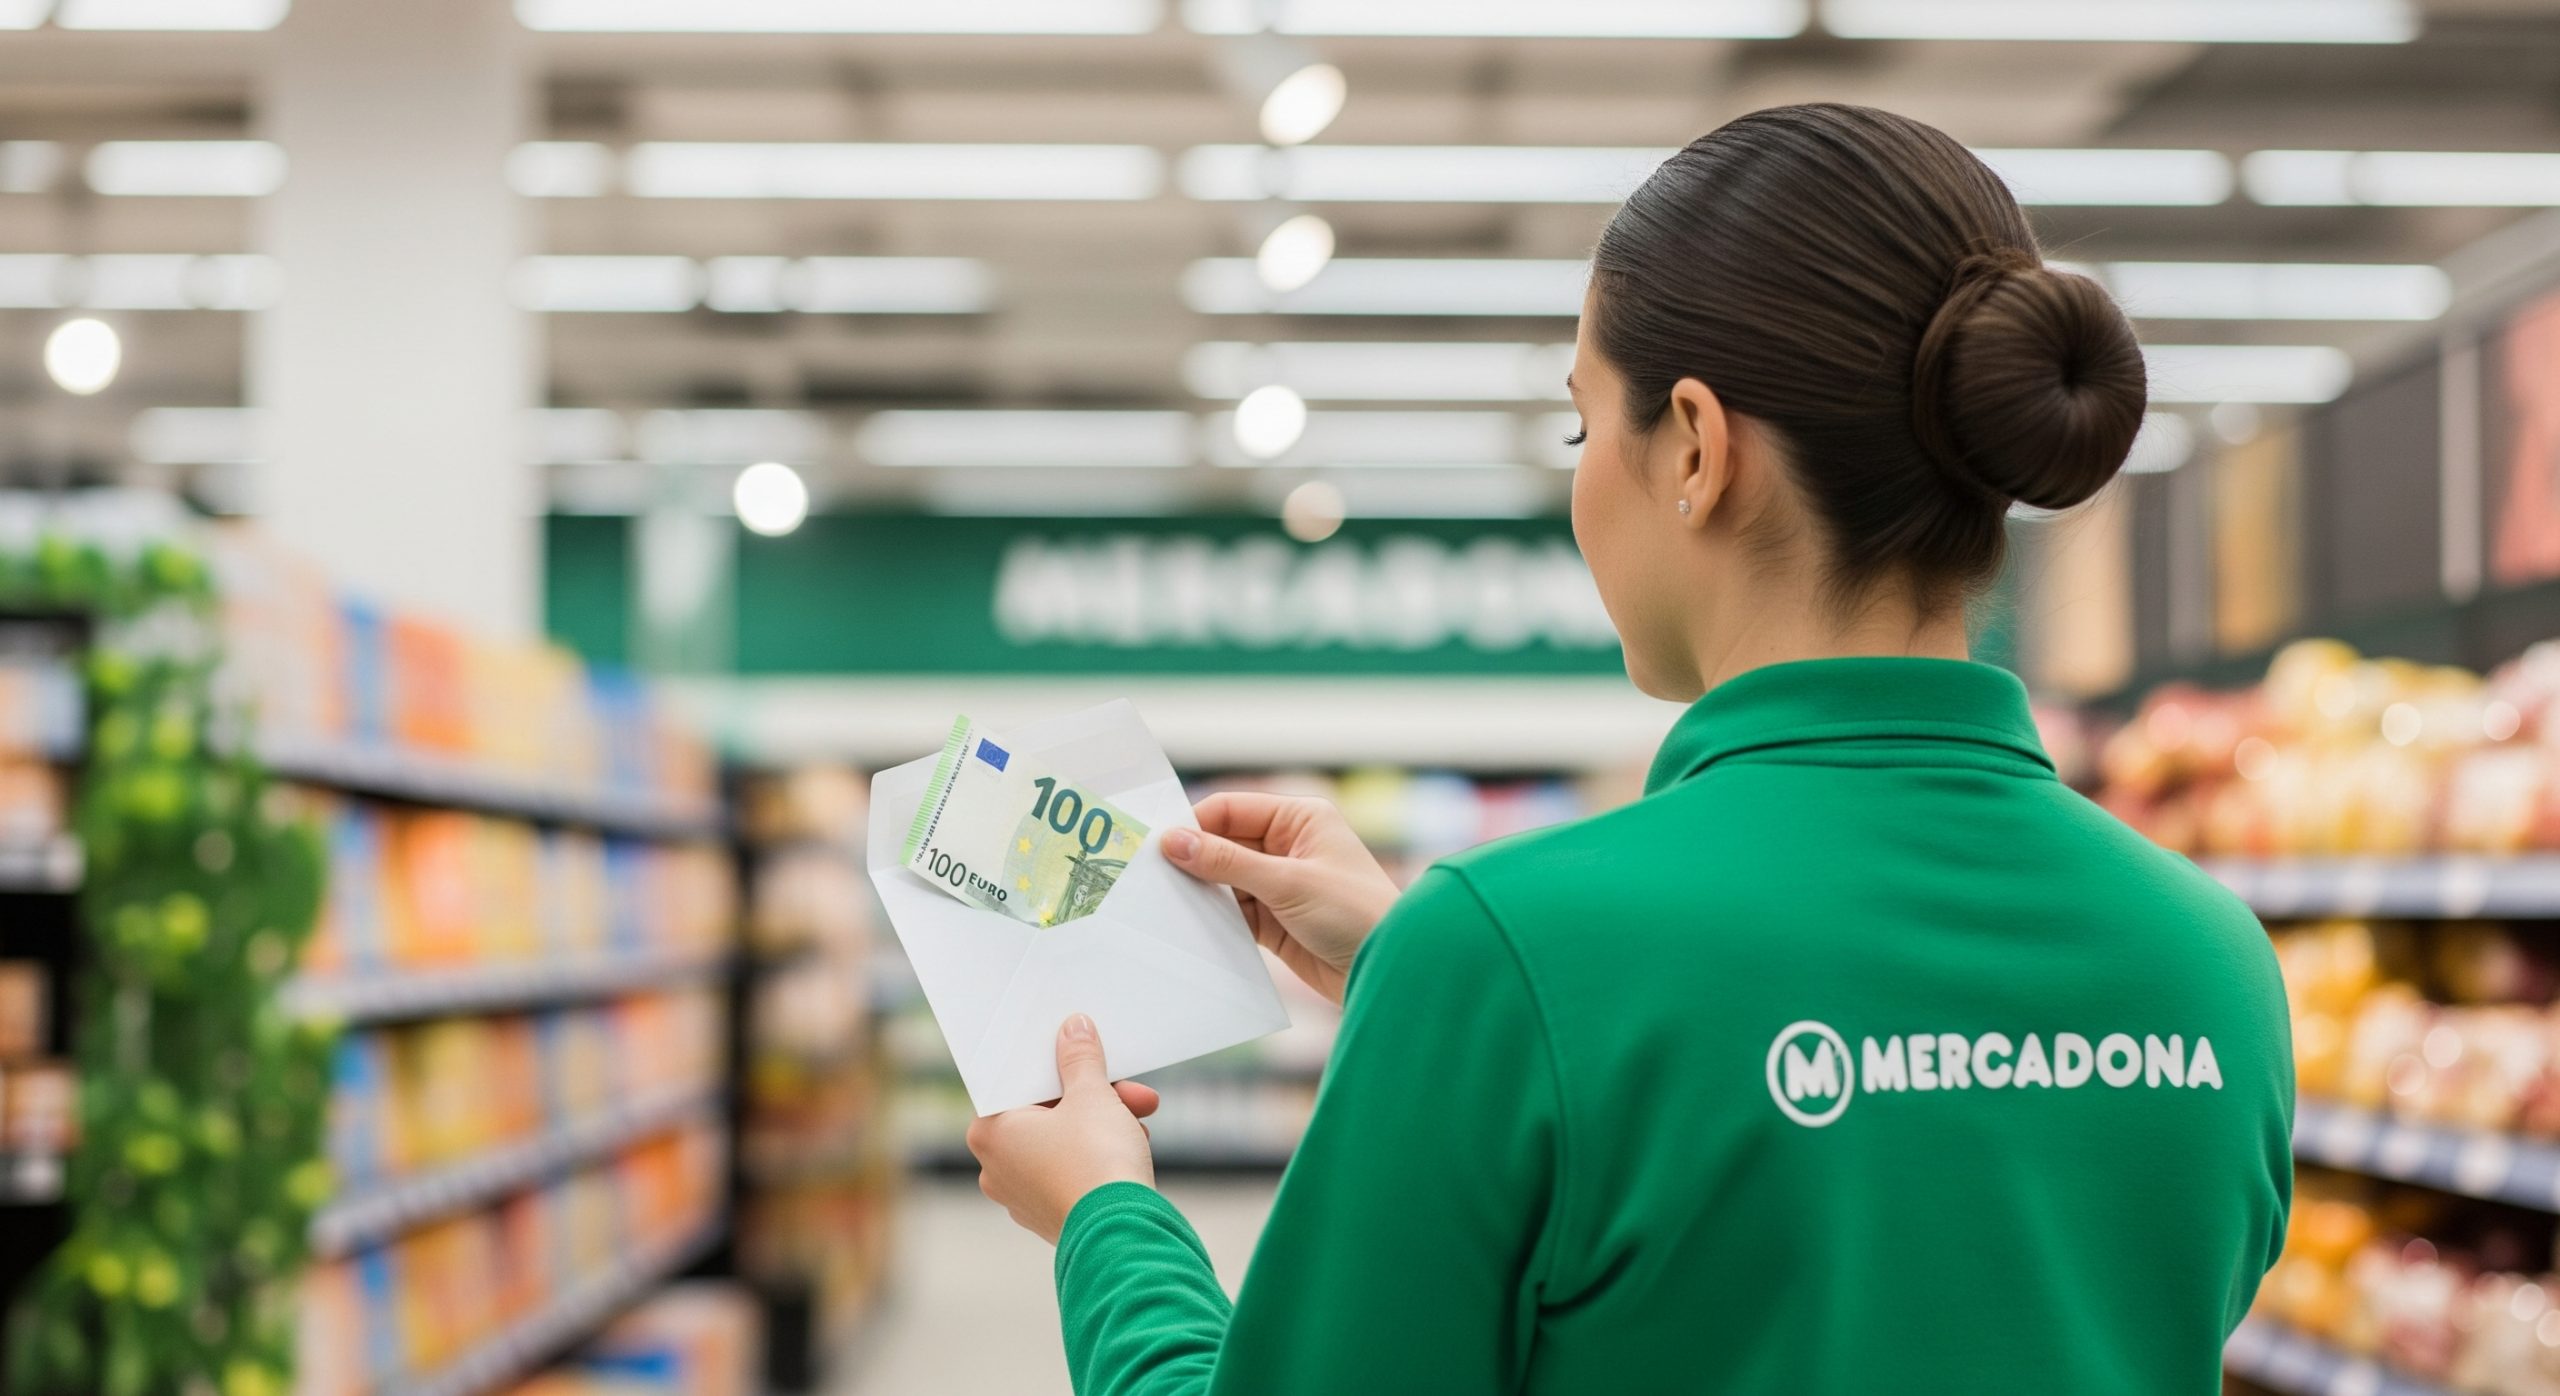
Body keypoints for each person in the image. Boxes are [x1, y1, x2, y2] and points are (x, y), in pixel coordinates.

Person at [966, 102, 2292, 1395]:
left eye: (1582, 424)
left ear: (1700, 451)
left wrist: (1105, 1218)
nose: (1580, 482)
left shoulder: (1502, 954)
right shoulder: (2210, 962)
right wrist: (1444, 991)